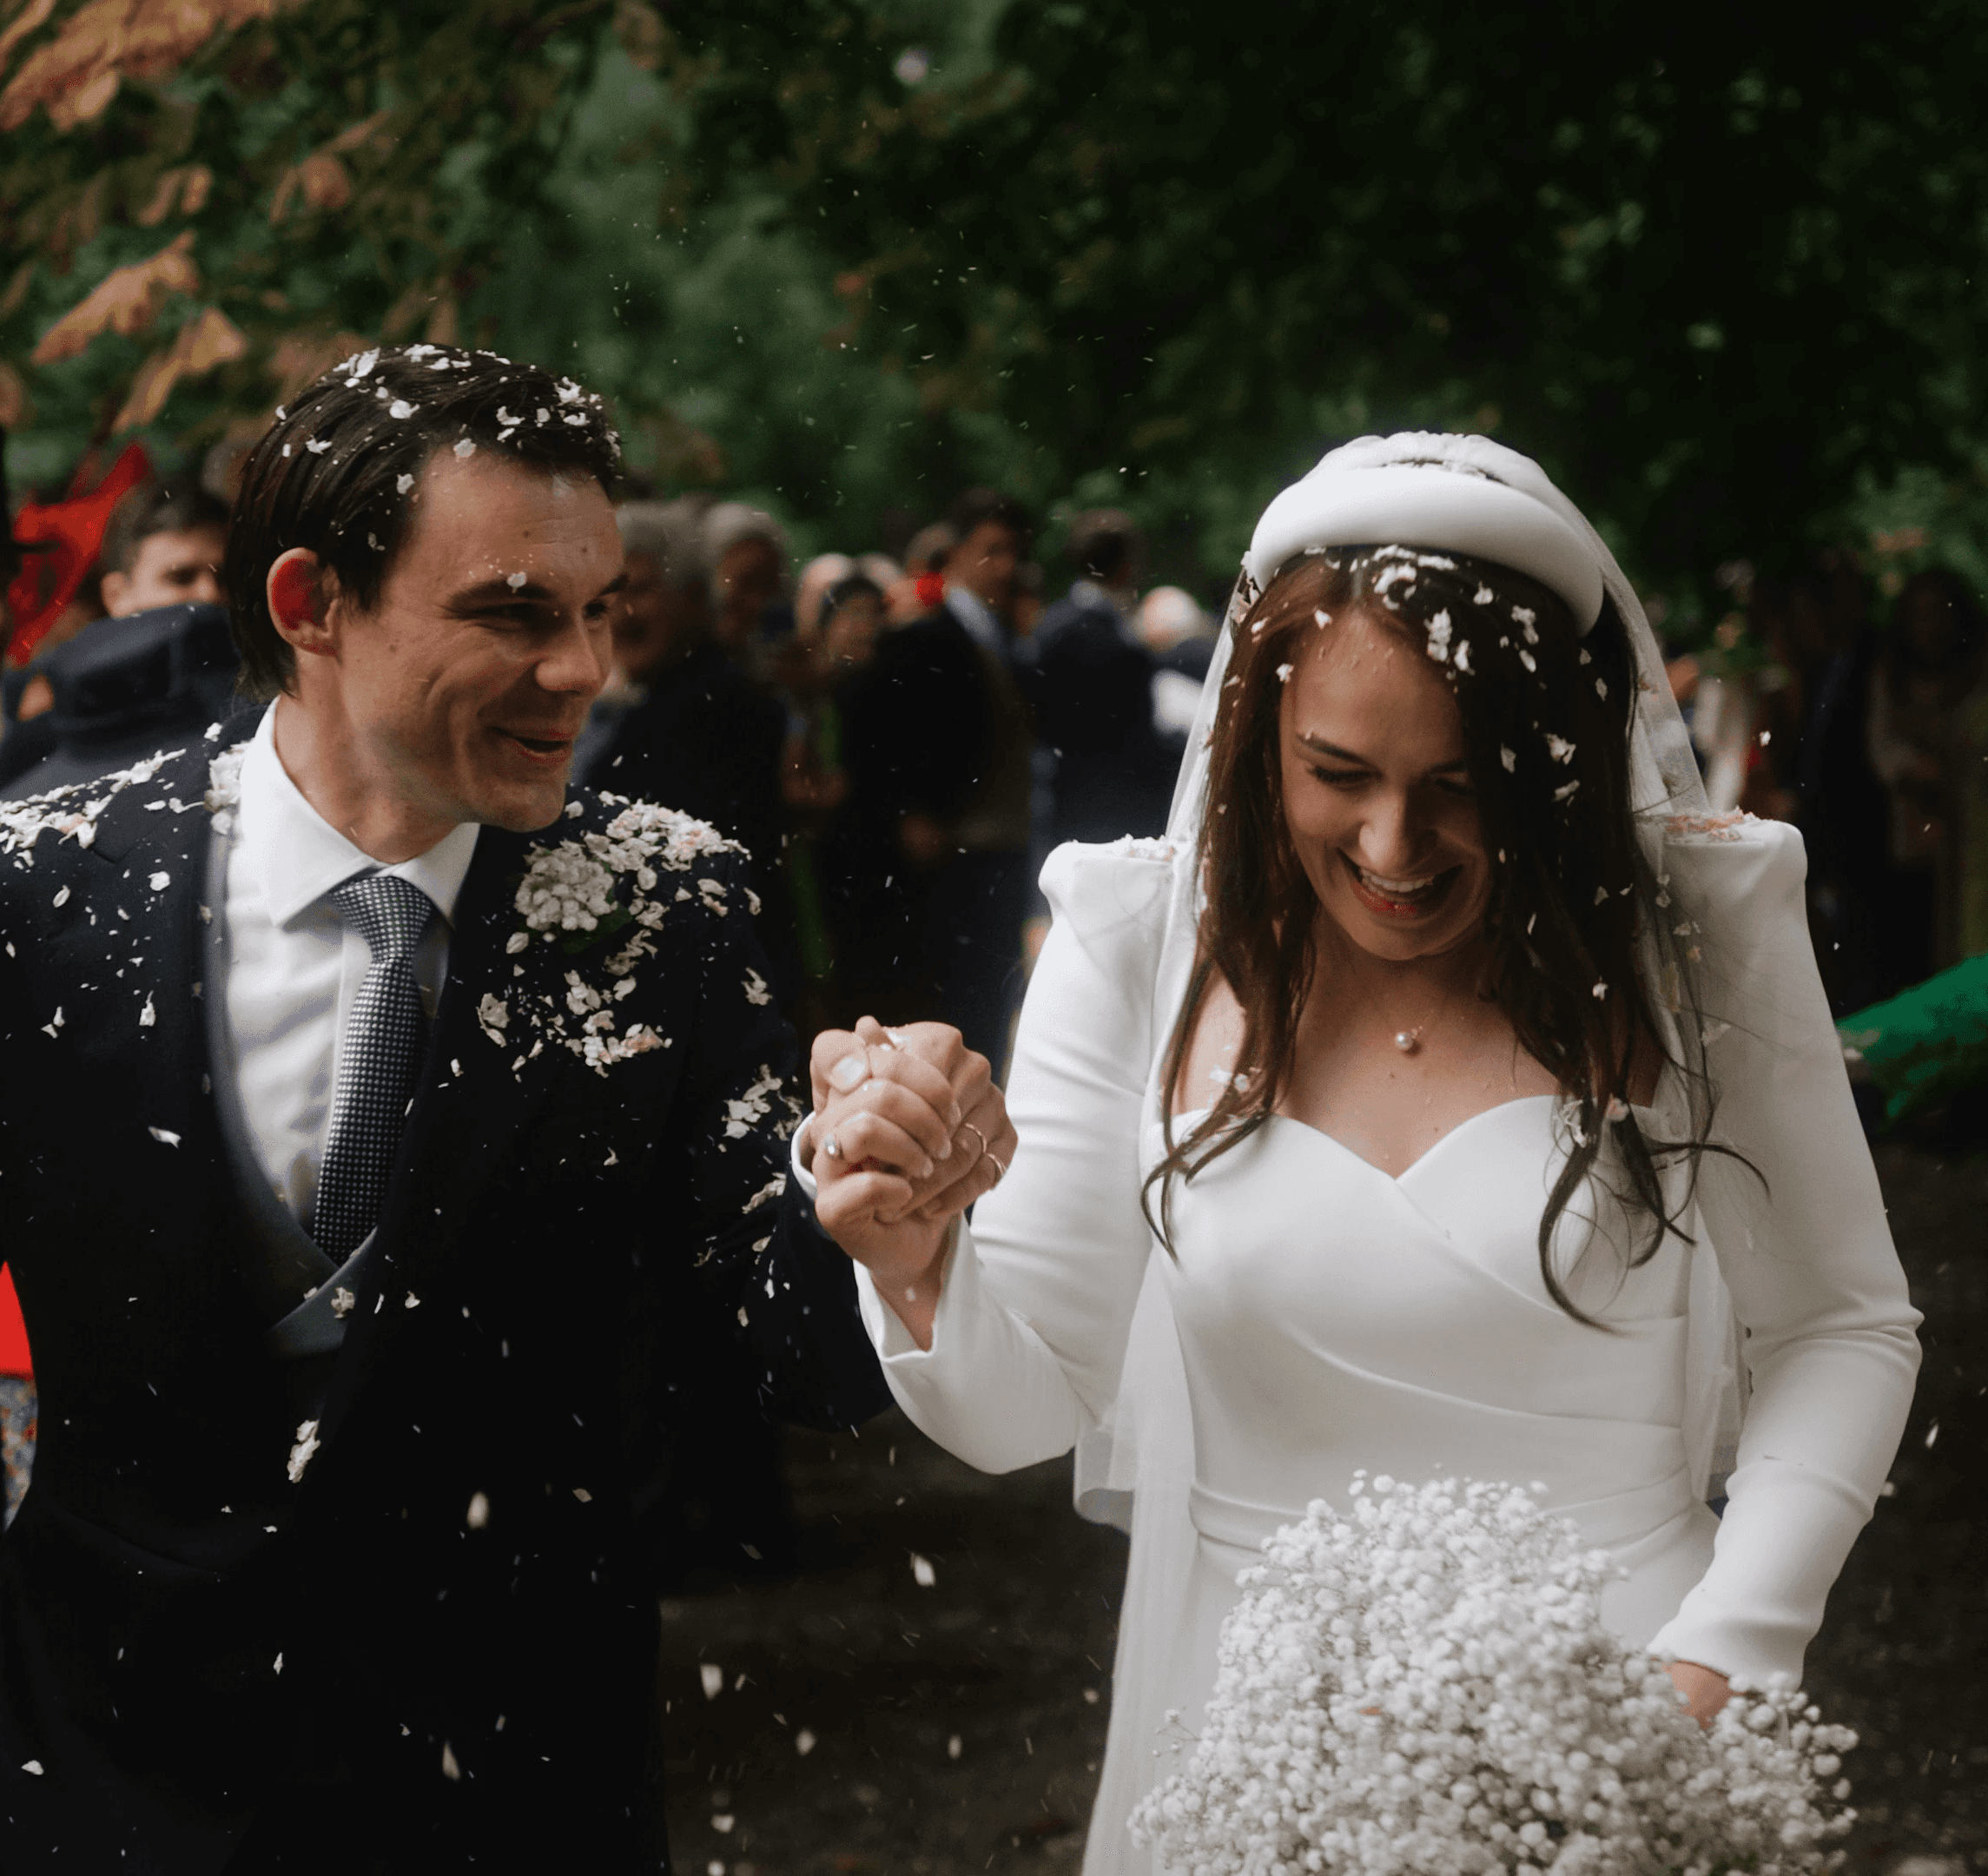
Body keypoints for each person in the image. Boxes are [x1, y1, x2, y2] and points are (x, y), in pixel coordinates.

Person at [799, 433, 1922, 1876]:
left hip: (1634, 1702)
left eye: (1463, 786)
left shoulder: (1697, 927)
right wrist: (914, 1264)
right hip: (1253, 1727)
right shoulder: (1131, 938)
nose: (1394, 845)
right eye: (1335, 773)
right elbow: (1027, 1404)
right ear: (1254, 733)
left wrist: (1714, 1663)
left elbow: (1835, 1324)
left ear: (1560, 761)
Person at [0, 345, 895, 1873]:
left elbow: (800, 1342)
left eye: (599, 612)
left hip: (518, 1787)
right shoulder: (38, 892)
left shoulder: (665, 906)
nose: (581, 671)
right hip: (109, 1776)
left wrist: (893, 1217)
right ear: (310, 605)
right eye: (514, 612)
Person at [833, 491, 1035, 1066]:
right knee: (952, 1002)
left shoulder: (1002, 635)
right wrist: (910, 810)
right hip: (953, 846)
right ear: (957, 553)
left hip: (995, 843)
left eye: (1014, 553)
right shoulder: (927, 636)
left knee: (986, 1000)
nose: (1005, 566)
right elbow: (883, 730)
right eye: (990, 550)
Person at [1027, 510, 1172, 849]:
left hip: (1070, 797)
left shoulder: (1051, 627)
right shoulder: (1120, 641)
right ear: (1125, 567)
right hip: (1115, 804)